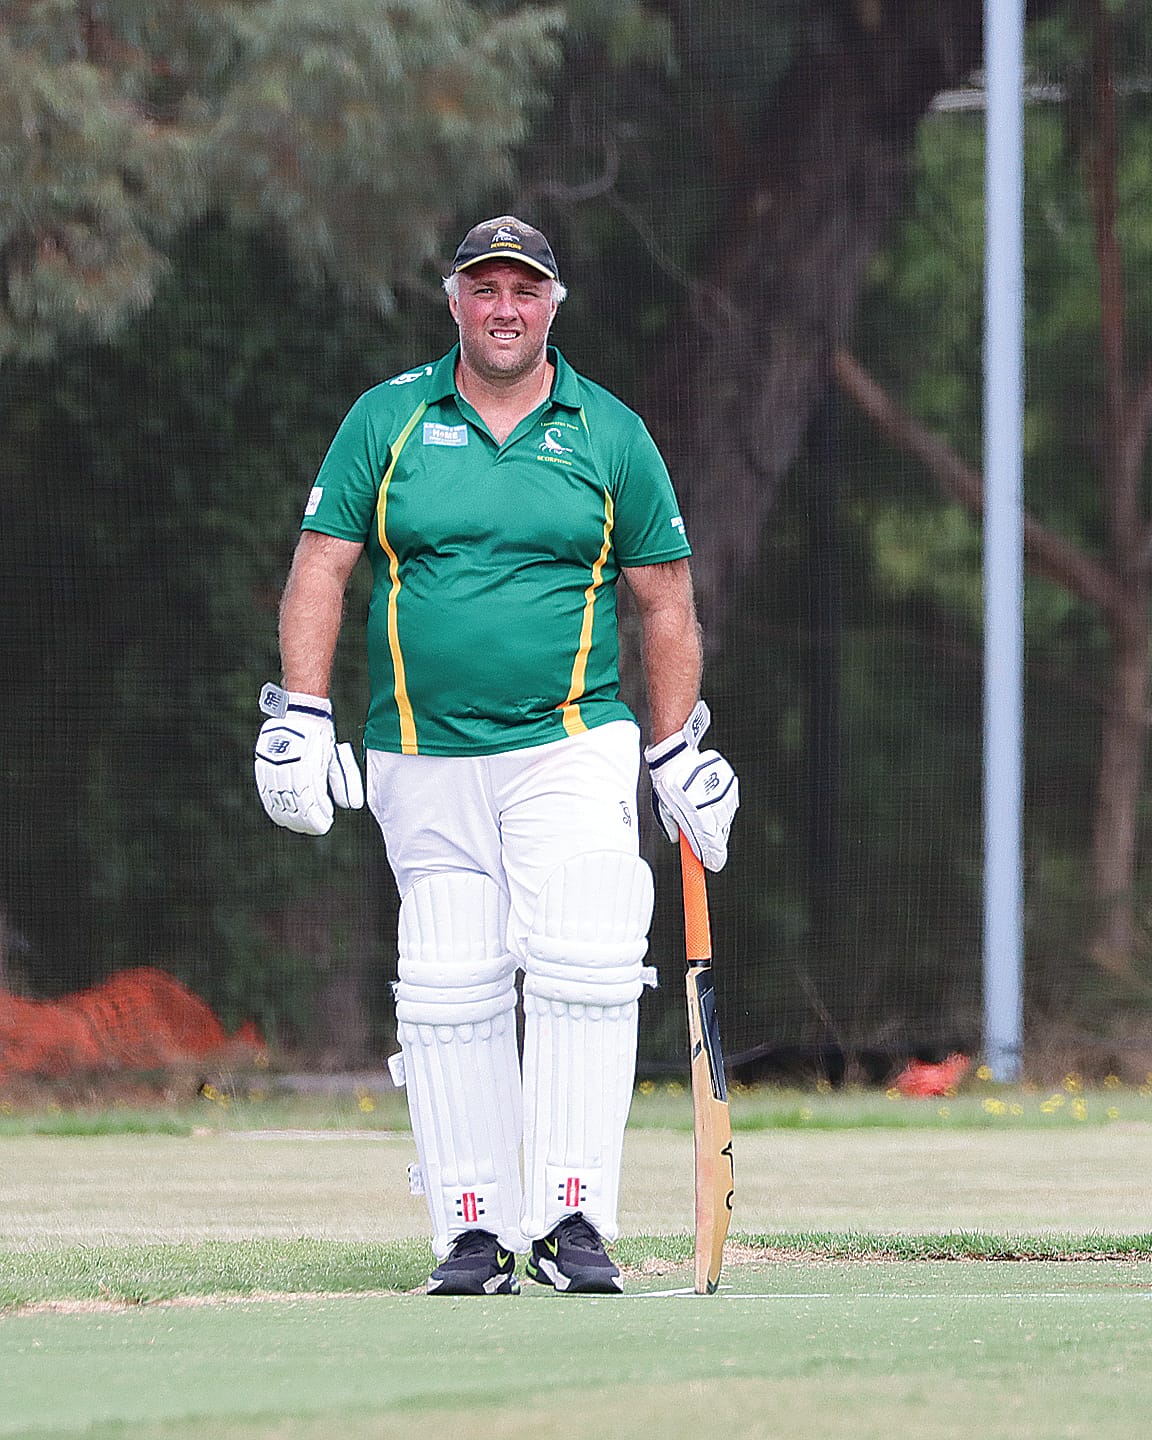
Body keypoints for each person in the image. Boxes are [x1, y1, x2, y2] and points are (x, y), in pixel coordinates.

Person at [253, 216, 739, 1297]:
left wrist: (674, 748)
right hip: (418, 756)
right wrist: (299, 711)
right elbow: (321, 570)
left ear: (553, 305)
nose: (504, 307)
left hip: (568, 740)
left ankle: (570, 1220)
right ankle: (470, 1232)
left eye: (525, 289)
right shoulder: (387, 420)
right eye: (485, 289)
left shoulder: (608, 433)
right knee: (446, 981)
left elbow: (663, 601)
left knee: (584, 957)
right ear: (455, 300)